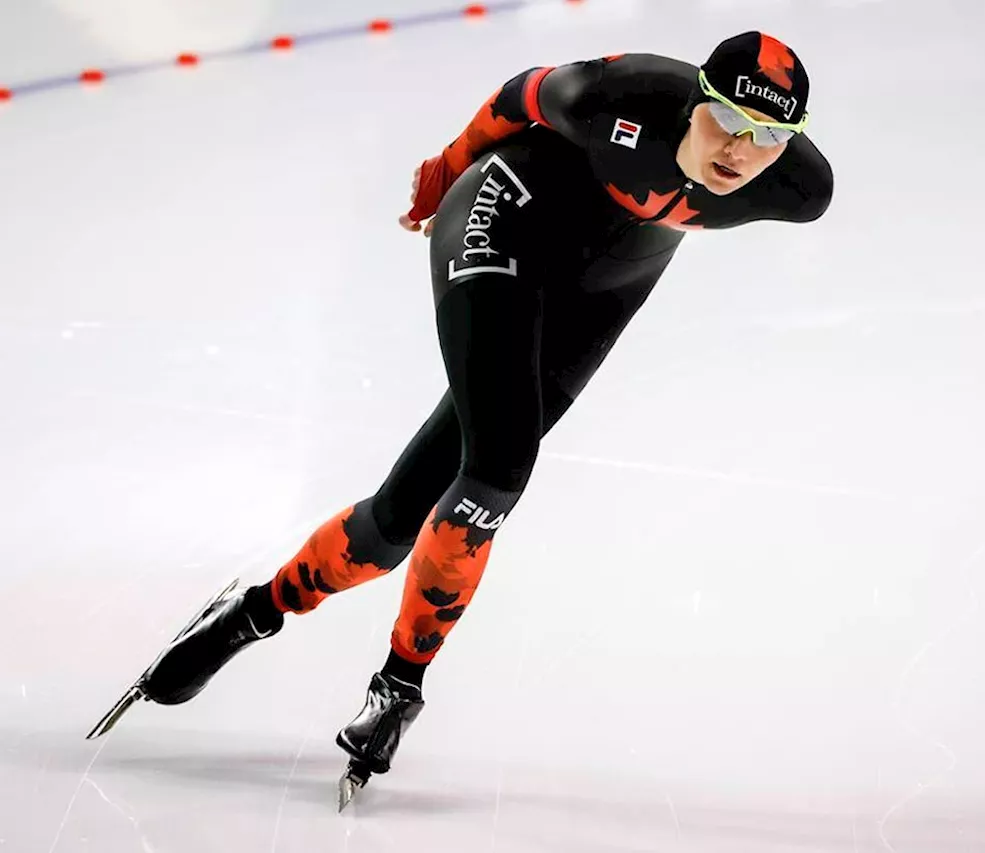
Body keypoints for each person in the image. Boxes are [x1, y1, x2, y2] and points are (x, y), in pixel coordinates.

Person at [90, 30, 833, 806]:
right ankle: (398, 687)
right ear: (695, 103)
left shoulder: (799, 192)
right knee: (498, 466)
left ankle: (252, 610)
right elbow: (519, 95)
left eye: (771, 136)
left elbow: (765, 166)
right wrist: (444, 169)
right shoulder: (620, 95)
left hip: (608, 281)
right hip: (501, 219)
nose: (742, 150)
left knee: (393, 525)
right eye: (729, 123)